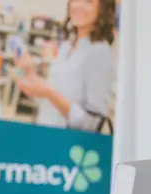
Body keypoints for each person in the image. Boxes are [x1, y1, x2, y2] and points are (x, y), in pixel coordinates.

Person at [15, 0, 117, 133]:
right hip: (46, 134)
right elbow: (54, 100)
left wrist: (49, 93)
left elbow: (93, 123)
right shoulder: (67, 46)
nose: (78, 5)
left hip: (68, 145)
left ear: (103, 8)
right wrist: (30, 74)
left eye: (88, 1)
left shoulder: (100, 52)